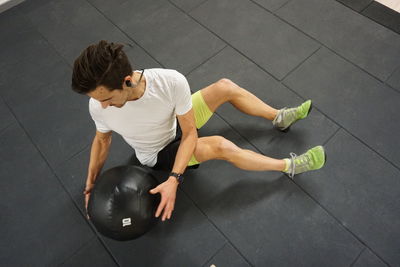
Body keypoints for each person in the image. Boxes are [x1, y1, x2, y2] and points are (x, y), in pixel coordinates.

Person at [71, 40, 326, 222]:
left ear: (128, 80)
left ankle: (278, 117)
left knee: (224, 86)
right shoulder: (99, 107)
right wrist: (91, 184)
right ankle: (289, 166)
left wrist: (174, 181)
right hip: (158, 152)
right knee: (221, 146)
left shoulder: (170, 81)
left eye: (106, 97)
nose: (101, 105)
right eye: (97, 99)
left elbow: (189, 132)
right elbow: (102, 140)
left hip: (176, 125)